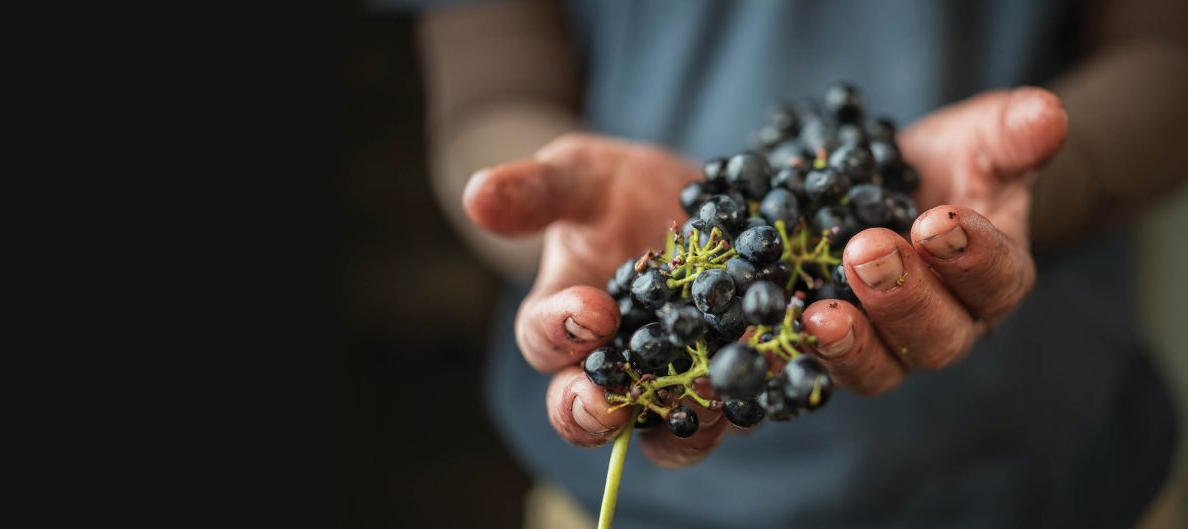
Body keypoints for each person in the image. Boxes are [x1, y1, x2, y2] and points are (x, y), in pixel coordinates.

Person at [408, 0, 1188, 527]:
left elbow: (1166, 50)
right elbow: (488, 95)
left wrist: (1033, 178)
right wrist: (559, 211)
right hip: (640, 507)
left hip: (1054, 480)